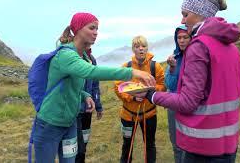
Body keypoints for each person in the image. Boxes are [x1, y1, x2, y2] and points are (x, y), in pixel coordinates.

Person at [33, 12, 156, 163]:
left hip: (70, 122)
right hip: (49, 123)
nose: (96, 32)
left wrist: (85, 95)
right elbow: (91, 72)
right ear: (78, 29)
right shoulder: (66, 55)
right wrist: (132, 72)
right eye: (92, 28)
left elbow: (72, 84)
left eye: (97, 29)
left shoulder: (83, 56)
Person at [141, 0, 240, 162]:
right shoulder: (231, 47)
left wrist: (150, 95)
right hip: (228, 142)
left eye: (185, 14)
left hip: (202, 145)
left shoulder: (199, 46)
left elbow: (188, 103)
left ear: (199, 14)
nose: (182, 20)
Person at [114, 35, 166, 163]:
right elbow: (118, 87)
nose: (141, 49)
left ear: (147, 48)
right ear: (133, 49)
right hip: (128, 116)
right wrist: (131, 96)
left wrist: (148, 92)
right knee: (127, 145)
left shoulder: (156, 67)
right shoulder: (126, 67)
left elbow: (163, 86)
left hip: (149, 115)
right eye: (137, 47)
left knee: (149, 145)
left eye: (143, 46)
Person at [164, 24, 191, 163]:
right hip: (174, 106)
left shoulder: (196, 56)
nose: (181, 40)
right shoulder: (174, 58)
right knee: (176, 143)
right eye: (179, 37)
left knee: (191, 145)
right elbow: (169, 84)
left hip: (192, 106)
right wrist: (173, 67)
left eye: (185, 37)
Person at [75, 47, 103, 163]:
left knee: (84, 145)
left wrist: (98, 105)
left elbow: (95, 86)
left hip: (88, 111)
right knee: (76, 148)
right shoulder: (72, 58)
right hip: (74, 112)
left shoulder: (92, 59)